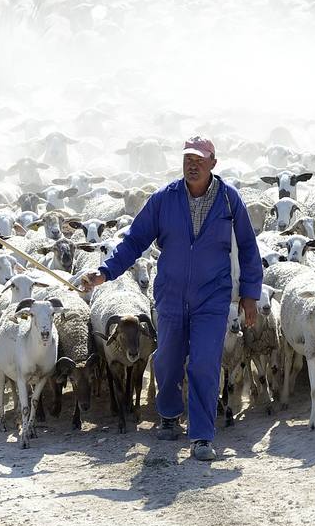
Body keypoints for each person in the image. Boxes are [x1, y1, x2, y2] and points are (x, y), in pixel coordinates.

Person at [78, 136, 262, 461]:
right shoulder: (164, 199)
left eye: (200, 160)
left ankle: (202, 436)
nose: (193, 165)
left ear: (213, 164)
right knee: (167, 359)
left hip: (212, 296)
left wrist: (250, 294)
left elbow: (247, 248)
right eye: (188, 159)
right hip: (171, 294)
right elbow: (134, 241)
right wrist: (105, 273)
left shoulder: (230, 201)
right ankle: (168, 412)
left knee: (205, 362)